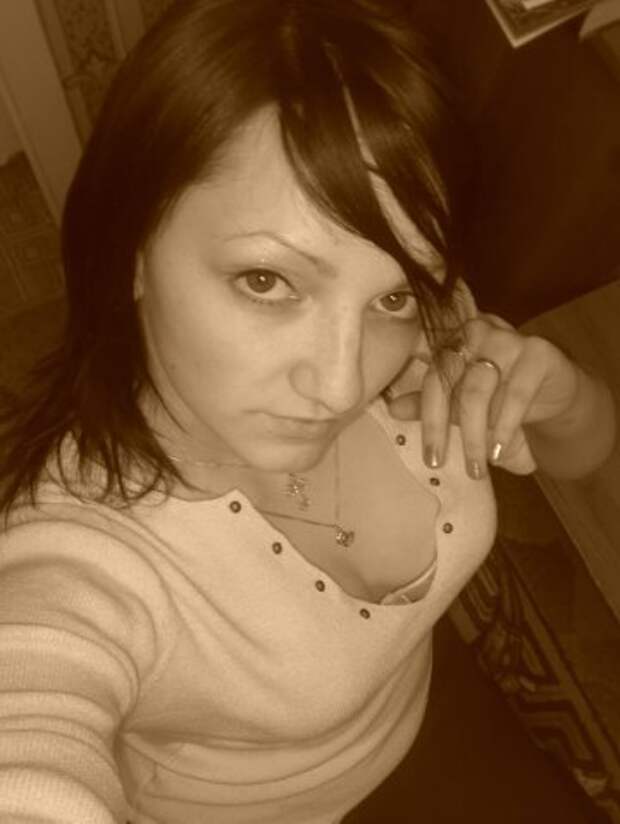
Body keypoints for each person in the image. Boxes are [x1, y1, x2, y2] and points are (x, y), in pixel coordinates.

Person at [0, 1, 615, 822]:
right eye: (267, 281)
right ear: (133, 249)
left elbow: (583, 451)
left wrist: (562, 394)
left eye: (392, 293)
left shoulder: (429, 341)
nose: (340, 384)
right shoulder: (81, 558)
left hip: (422, 715)